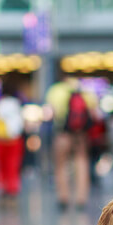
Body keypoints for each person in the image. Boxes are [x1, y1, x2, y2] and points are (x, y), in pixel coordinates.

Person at [44, 77, 96, 211]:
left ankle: (63, 198)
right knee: (81, 162)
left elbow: (49, 114)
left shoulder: (56, 90)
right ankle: (81, 198)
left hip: (62, 134)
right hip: (81, 135)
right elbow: (94, 115)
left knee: (61, 165)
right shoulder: (86, 92)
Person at [0, 79, 25, 203]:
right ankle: (12, 188)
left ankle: (1, 186)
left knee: (1, 165)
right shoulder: (17, 104)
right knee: (13, 164)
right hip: (14, 140)